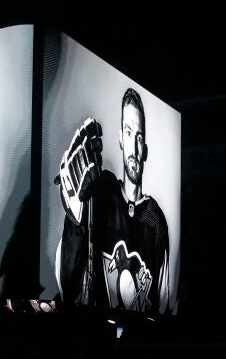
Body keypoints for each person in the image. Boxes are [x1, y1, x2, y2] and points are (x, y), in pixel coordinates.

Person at [54, 87, 171, 313]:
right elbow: (66, 284)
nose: (134, 147)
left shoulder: (155, 220)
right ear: (120, 139)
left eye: (139, 137)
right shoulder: (103, 192)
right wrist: (74, 220)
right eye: (128, 132)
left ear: (145, 149)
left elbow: (164, 303)